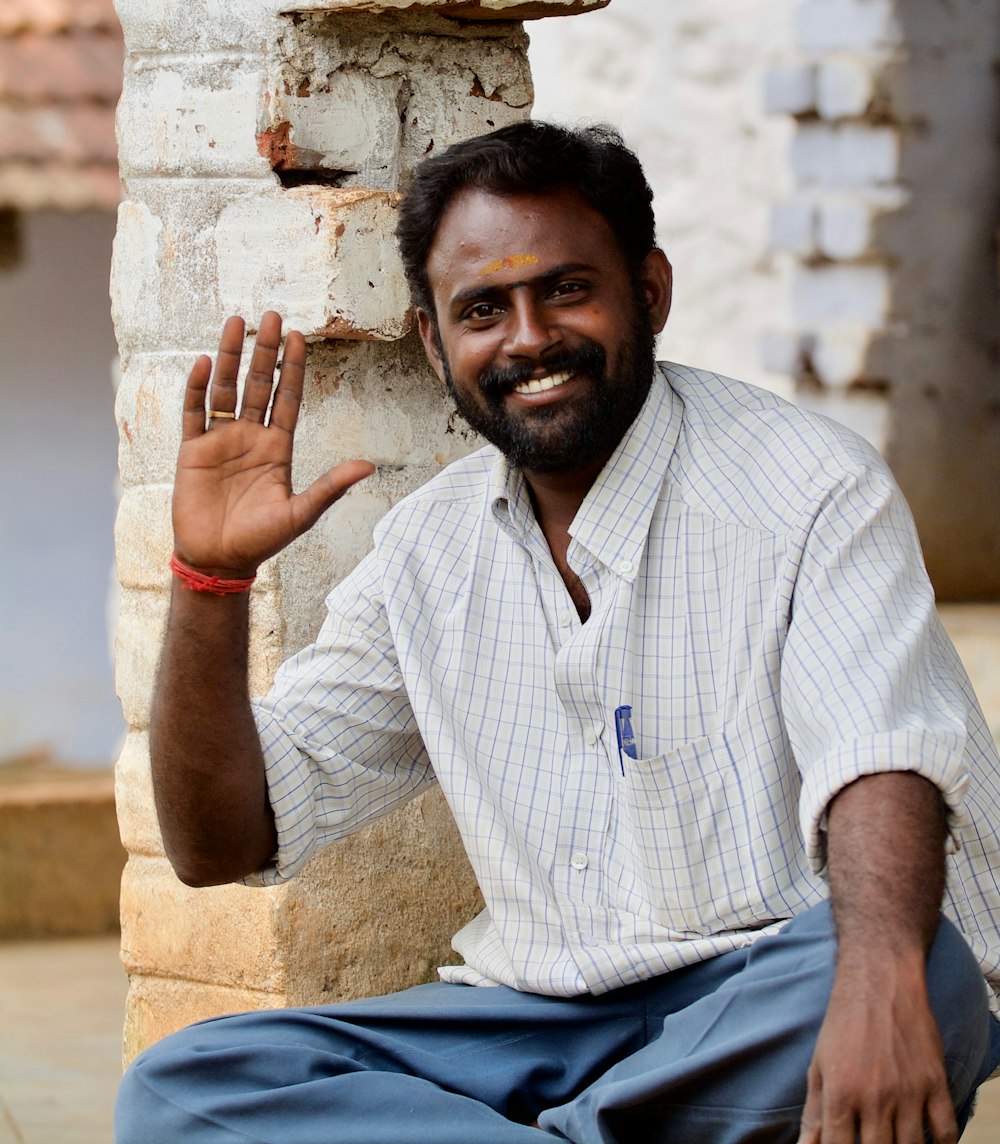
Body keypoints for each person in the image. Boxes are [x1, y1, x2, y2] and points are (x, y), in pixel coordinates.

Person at [116, 121, 1000, 1144]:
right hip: (530, 1020)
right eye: (483, 309)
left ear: (651, 292)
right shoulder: (425, 551)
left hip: (762, 994)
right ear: (435, 341)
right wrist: (210, 579)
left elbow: (878, 759)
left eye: (567, 289)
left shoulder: (809, 487)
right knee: (191, 1083)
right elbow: (221, 839)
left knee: (918, 965)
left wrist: (878, 972)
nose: (528, 337)